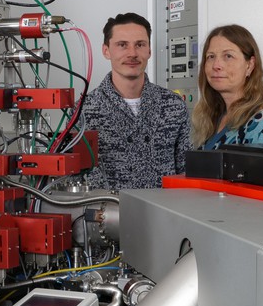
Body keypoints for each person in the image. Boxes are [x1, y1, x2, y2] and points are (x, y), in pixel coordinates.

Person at [82, 12, 191, 190]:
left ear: (149, 50)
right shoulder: (84, 110)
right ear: (106, 51)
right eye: (122, 45)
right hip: (107, 213)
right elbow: (78, 177)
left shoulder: (173, 105)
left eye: (140, 45)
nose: (132, 53)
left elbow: (186, 173)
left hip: (163, 213)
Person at [191, 24, 263, 149]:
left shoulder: (262, 121)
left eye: (228, 56)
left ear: (250, 65)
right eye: (211, 57)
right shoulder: (213, 117)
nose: (216, 65)